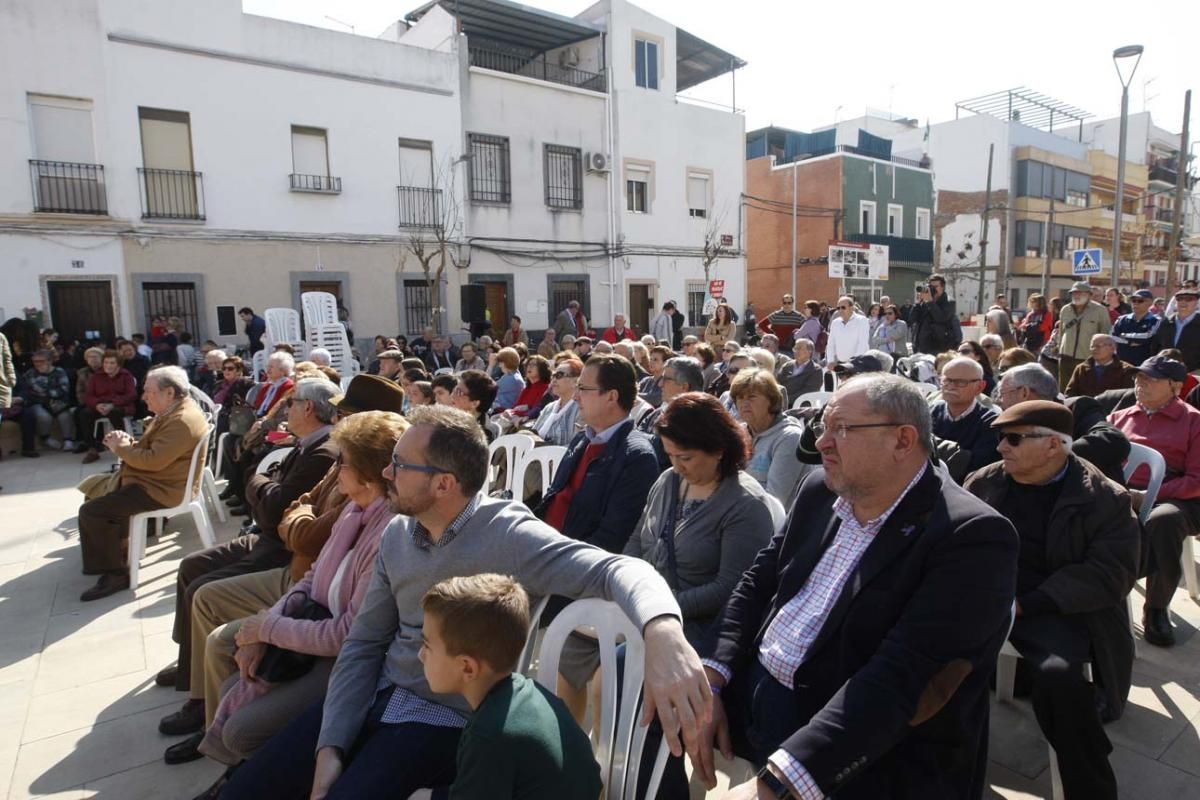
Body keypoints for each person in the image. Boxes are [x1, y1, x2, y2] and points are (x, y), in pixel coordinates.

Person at [218, 405, 709, 800]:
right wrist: (331, 743)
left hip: (444, 718)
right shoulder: (397, 535)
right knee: (248, 788)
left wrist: (662, 629)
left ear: (444, 484)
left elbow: (618, 568)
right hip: (377, 699)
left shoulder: (509, 535)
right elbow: (364, 644)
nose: (386, 471)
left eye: (400, 464)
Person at [691, 374, 1018, 800]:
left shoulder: (972, 536)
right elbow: (758, 583)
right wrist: (713, 675)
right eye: (822, 426)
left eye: (840, 429)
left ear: (902, 441)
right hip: (756, 689)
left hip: (857, 740)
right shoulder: (820, 491)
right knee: (657, 706)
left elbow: (901, 679)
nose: (822, 443)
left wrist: (778, 783)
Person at [177, 411, 407, 778]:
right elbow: (311, 576)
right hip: (314, 623)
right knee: (230, 647)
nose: (336, 469)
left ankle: (252, 762)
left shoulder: (389, 532)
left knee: (241, 731)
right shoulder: (354, 509)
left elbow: (346, 634)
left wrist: (267, 630)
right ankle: (236, 765)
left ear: (366, 473)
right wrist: (263, 626)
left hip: (347, 658)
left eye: (342, 462)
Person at [965, 400, 1137, 792]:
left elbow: (1111, 573)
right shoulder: (986, 480)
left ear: (1053, 446)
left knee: (1062, 681)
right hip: (984, 597)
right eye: (1000, 438)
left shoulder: (1104, 498)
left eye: (1013, 439)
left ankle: (1089, 785)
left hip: (1051, 607)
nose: (1001, 448)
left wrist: (1028, 603)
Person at [157, 378, 341, 707]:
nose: (286, 408)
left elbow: (274, 507)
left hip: (278, 548)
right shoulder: (307, 443)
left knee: (204, 588)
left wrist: (257, 478)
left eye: (291, 403)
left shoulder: (323, 452)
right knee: (191, 565)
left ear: (308, 408)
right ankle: (190, 663)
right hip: (267, 537)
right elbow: (270, 500)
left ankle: (201, 697)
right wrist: (262, 484)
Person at [418, 574, 602, 800]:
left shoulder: (487, 734)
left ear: (467, 668)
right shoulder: (531, 692)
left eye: (427, 645)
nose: (420, 655)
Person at [77, 366, 209, 601]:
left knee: (92, 512)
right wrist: (129, 443)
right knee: (95, 493)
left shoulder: (182, 420)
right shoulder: (174, 410)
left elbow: (153, 461)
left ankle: (117, 573)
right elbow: (154, 451)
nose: (143, 396)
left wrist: (122, 448)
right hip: (154, 480)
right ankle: (119, 548)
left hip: (162, 489)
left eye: (149, 391)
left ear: (169, 392)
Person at [1108, 355, 1200, 647]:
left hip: (1178, 495)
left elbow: (1196, 481)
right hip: (1122, 490)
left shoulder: (1193, 421)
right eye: (1138, 377)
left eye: (1150, 379)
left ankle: (1156, 608)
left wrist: (1151, 495)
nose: (1140, 384)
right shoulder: (1120, 417)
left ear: (1174, 386)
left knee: (1164, 521)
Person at [535, 353, 660, 555]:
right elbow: (552, 500)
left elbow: (611, 539)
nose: (575, 397)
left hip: (575, 566)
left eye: (583, 389)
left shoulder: (637, 458)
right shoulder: (581, 440)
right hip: (546, 549)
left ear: (611, 396)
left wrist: (554, 561)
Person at [995, 363, 1130, 485]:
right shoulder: (1006, 423)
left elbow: (1113, 440)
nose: (999, 401)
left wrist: (1054, 457)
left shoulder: (1079, 408)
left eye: (1002, 394)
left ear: (1024, 392)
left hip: (1091, 500)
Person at [730, 368, 808, 502]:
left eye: (752, 397)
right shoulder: (740, 433)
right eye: (740, 398)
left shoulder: (789, 437)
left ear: (771, 400)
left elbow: (774, 500)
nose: (744, 404)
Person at [931, 356, 999, 473]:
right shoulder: (932, 411)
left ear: (980, 387)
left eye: (960, 382)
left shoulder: (989, 421)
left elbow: (975, 466)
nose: (951, 386)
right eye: (946, 380)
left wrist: (930, 444)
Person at [637, 356, 705, 470]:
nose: (660, 384)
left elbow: (660, 452)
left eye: (666, 379)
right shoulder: (657, 413)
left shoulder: (696, 418)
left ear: (684, 386)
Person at [78, 350, 137, 464]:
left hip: (120, 406)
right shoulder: (96, 376)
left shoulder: (126, 376)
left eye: (112, 363)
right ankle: (92, 449)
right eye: (106, 363)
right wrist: (97, 405)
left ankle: (124, 447)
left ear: (118, 365)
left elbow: (131, 395)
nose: (108, 366)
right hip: (101, 405)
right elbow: (89, 395)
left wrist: (113, 404)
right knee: (85, 413)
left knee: (114, 412)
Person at [16, 349, 75, 455]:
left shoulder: (59, 372)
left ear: (49, 361)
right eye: (35, 361)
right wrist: (43, 393)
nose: (38, 364)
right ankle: (45, 438)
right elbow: (27, 390)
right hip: (38, 402)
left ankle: (68, 440)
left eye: (41, 361)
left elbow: (64, 389)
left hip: (58, 401)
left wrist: (44, 392)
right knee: (43, 416)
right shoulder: (30, 373)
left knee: (64, 414)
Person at [1057, 281, 1112, 390]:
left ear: (1089, 295)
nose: (1076, 295)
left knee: (1084, 388)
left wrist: (1100, 357)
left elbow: (1105, 335)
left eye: (1080, 293)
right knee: (1064, 389)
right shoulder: (1065, 309)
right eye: (1074, 293)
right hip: (1066, 357)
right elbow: (1061, 333)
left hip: (1087, 357)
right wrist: (1059, 351)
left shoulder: (1100, 310)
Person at [1064, 334, 1137, 398]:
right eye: (1092, 346)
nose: (1094, 349)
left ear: (1112, 348)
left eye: (1098, 346)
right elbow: (1070, 394)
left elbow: (1129, 397)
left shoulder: (1126, 370)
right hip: (1085, 410)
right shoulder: (1081, 368)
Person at [1152, 285, 1200, 371]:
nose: (1183, 302)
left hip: (1193, 372)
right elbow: (1155, 346)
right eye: (1179, 298)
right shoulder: (1166, 322)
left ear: (1196, 302)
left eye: (1189, 299)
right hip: (1165, 372)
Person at [1111, 289, 1161, 366]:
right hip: (1122, 364)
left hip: (1144, 366)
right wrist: (1129, 342)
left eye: (1140, 301)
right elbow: (1112, 336)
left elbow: (1148, 336)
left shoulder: (1156, 321)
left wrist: (1124, 335)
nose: (1136, 303)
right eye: (1133, 300)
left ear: (1150, 302)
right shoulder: (1122, 319)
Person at [913, 274, 958, 354]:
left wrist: (930, 302)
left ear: (942, 287)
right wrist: (918, 303)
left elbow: (941, 318)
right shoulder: (926, 302)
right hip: (921, 347)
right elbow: (912, 318)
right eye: (931, 287)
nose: (932, 289)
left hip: (937, 347)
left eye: (935, 287)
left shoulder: (949, 302)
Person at [825, 296, 871, 368]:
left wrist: (853, 363)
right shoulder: (835, 322)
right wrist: (830, 361)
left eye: (843, 307)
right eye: (838, 308)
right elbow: (831, 344)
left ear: (852, 308)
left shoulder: (862, 320)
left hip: (858, 364)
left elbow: (862, 343)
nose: (840, 310)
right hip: (840, 364)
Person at [451, 369, 497, 434]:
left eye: (459, 392)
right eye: (455, 389)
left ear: (474, 403)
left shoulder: (481, 435)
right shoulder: (451, 421)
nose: (452, 395)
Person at [779, 338, 822, 404]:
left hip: (800, 405)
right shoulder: (787, 365)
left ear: (809, 351)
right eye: (795, 348)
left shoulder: (815, 370)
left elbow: (808, 392)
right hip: (780, 401)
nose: (795, 351)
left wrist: (785, 400)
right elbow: (777, 382)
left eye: (799, 348)